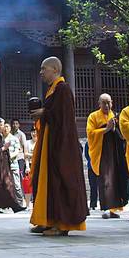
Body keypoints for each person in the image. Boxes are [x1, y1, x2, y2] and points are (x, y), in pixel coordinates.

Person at [29, 56, 88, 236]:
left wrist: (44, 112)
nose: (41, 72)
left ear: (55, 69)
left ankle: (61, 224)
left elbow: (63, 118)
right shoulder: (52, 90)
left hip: (61, 146)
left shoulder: (63, 89)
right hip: (49, 142)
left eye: (43, 69)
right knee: (45, 181)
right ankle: (46, 219)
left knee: (59, 182)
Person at [86, 94, 129, 218]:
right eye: (103, 103)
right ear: (99, 104)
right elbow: (90, 133)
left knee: (116, 179)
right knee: (105, 180)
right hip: (102, 153)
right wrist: (106, 129)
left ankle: (114, 209)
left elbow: (122, 135)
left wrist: (115, 128)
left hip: (115, 153)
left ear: (112, 103)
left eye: (108, 102)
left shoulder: (115, 116)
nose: (106, 105)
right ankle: (106, 207)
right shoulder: (93, 116)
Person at [0, 118, 24, 214]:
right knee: (6, 185)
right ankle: (14, 206)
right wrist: (4, 148)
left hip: (3, 165)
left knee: (5, 186)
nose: (3, 127)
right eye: (1, 125)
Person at [3, 123, 26, 209]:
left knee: (16, 185)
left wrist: (9, 156)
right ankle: (7, 204)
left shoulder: (14, 138)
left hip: (13, 164)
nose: (5, 129)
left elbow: (17, 151)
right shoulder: (1, 138)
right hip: (4, 166)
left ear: (10, 128)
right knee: (6, 185)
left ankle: (20, 203)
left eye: (7, 127)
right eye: (4, 127)